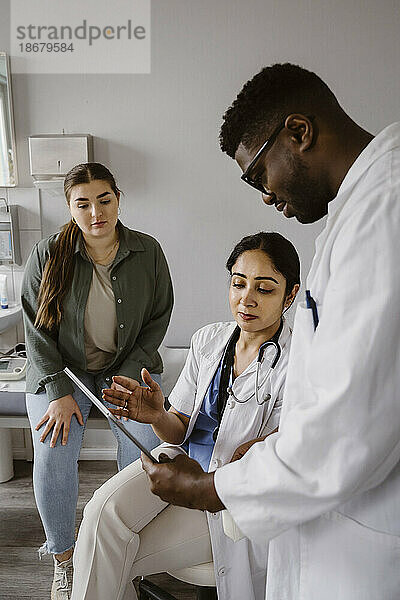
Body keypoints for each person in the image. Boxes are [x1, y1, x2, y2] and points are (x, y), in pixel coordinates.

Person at [140, 63, 400, 600]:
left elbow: (344, 428)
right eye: (238, 284)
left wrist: (210, 488)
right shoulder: (358, 211)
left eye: (259, 175)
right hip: (317, 513)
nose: (264, 196)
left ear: (299, 133)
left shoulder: (384, 213)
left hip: (361, 536)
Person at [70, 232, 300, 600]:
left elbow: (287, 448)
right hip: (179, 463)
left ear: (290, 295)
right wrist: (157, 414)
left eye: (265, 289)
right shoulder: (208, 341)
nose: (247, 298)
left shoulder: (299, 361)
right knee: (100, 516)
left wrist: (259, 446)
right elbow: (178, 430)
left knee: (113, 552)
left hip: (226, 492)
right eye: (238, 283)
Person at [21, 162, 173, 600]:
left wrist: (128, 375)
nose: (95, 213)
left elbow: (158, 319)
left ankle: (130, 552)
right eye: (82, 204)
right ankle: (64, 560)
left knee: (144, 448)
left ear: (118, 198)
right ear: (69, 207)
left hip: (127, 366)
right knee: (52, 452)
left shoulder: (148, 251)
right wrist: (58, 391)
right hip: (62, 371)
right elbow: (36, 330)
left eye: (103, 200)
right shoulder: (48, 254)